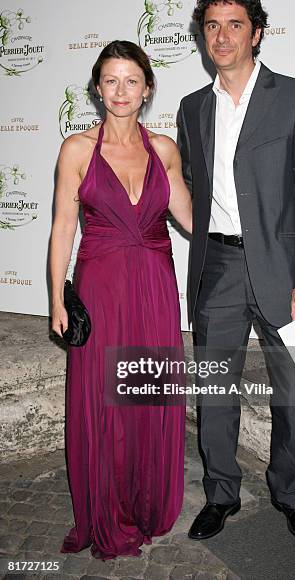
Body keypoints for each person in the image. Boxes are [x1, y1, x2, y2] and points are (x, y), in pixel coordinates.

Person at [177, 0, 295, 543]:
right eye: (212, 25)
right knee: (214, 389)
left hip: (288, 271)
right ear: (204, 35)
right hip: (215, 266)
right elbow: (193, 184)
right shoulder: (192, 107)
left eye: (234, 24)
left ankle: (290, 494)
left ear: (256, 32)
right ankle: (222, 494)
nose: (222, 35)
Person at [50, 40, 191, 559]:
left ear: (148, 88)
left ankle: (147, 499)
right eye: (111, 80)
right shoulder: (77, 149)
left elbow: (194, 220)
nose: (121, 91)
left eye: (132, 80)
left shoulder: (165, 150)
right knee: (104, 400)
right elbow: (63, 227)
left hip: (155, 289)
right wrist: (57, 300)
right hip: (101, 289)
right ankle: (107, 509)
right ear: (96, 88)